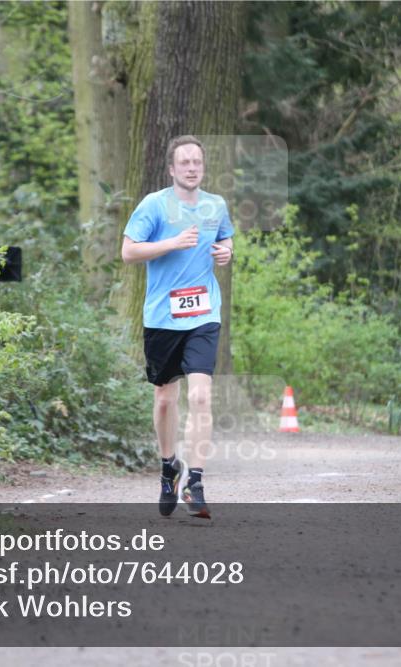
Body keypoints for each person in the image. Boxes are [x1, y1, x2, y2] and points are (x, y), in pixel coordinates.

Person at [121, 135, 234, 519]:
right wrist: (170, 243)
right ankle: (169, 466)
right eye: (184, 162)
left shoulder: (216, 205)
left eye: (197, 162)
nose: (191, 167)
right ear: (171, 169)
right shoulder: (154, 205)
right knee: (165, 399)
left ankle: (195, 481)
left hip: (204, 313)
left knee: (200, 396)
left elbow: (225, 239)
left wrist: (226, 251)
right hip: (163, 318)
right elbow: (128, 251)